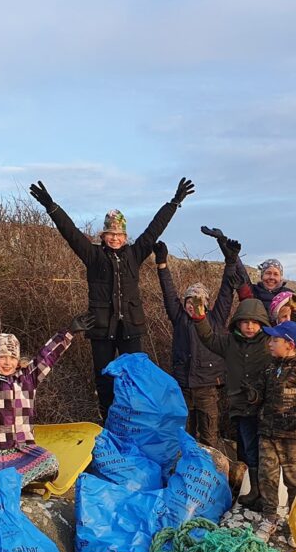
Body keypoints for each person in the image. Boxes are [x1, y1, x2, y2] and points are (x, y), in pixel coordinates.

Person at [29, 178, 193, 417]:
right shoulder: (93, 256)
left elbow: (154, 229)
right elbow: (71, 233)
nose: (115, 238)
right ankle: (108, 422)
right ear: (103, 235)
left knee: (134, 379)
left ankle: (134, 422)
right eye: (110, 234)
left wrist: (174, 202)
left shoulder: (135, 255)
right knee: (104, 380)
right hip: (102, 328)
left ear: (125, 236)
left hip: (130, 328)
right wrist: (51, 207)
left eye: (119, 234)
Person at [0, 313, 95, 484]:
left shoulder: (27, 379)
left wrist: (68, 332)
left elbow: (47, 357)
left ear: (18, 360)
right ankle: (3, 481)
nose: (7, 362)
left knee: (51, 463)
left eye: (12, 358)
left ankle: (5, 482)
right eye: (2, 357)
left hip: (24, 449)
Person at [154, 230, 245, 448]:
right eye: (189, 301)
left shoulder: (216, 318)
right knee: (182, 436)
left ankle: (209, 475)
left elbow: (225, 291)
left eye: (198, 301)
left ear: (205, 303)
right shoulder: (179, 318)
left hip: (207, 388)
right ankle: (184, 472)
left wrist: (231, 262)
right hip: (183, 387)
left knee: (209, 436)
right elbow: (168, 293)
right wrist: (162, 265)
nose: (192, 305)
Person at [192, 298, 273, 499]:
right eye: (245, 321)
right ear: (237, 322)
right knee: (246, 448)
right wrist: (200, 319)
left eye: (255, 322)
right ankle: (249, 489)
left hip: (265, 407)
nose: (250, 326)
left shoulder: (269, 342)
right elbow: (209, 338)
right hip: (240, 406)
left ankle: (263, 492)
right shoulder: (229, 342)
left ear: (262, 323)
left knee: (264, 450)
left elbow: (292, 340)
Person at [252, 320, 296, 532]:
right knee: (267, 477)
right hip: (267, 433)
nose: (270, 344)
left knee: (295, 482)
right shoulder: (270, 368)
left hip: (292, 435)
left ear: (289, 345)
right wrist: (252, 396)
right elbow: (260, 395)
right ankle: (269, 518)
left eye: (275, 340)